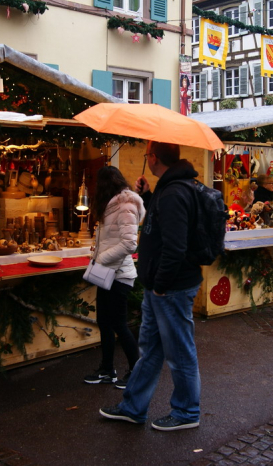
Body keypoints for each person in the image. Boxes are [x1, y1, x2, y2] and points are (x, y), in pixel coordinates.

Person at [100, 141, 203, 431]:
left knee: (180, 351)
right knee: (152, 350)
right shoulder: (173, 189)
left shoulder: (174, 193)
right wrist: (149, 194)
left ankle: (186, 412)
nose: (147, 159)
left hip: (169, 289)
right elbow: (165, 227)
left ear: (154, 158)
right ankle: (133, 407)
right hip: (163, 287)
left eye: (147, 155)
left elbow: (175, 246)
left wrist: (160, 286)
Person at [83, 166, 144, 389]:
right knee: (104, 322)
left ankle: (135, 370)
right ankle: (107, 369)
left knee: (118, 323)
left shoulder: (125, 205)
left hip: (119, 274)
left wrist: (101, 259)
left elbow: (129, 243)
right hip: (107, 273)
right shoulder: (111, 205)